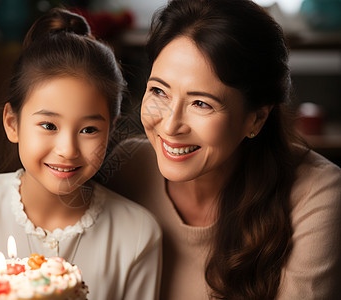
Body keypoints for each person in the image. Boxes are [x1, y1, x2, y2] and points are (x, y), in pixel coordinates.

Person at [104, 0, 341, 299]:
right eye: (159, 91)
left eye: (201, 103)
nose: (170, 126)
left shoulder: (318, 195)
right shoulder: (125, 167)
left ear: (256, 118)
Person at [0, 8, 162, 300]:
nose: (67, 150)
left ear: (111, 131)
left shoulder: (137, 235)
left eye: (89, 130)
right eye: (48, 125)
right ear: (12, 123)